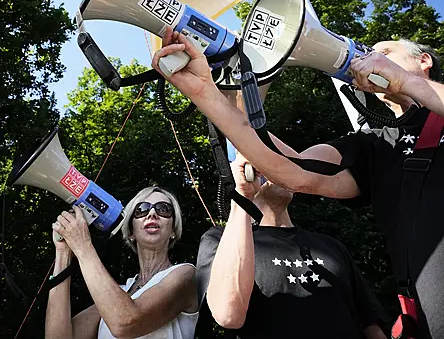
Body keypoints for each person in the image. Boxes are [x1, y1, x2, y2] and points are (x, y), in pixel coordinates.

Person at [152, 31, 444, 339]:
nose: (370, 57)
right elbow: (293, 169)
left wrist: (410, 83)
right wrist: (206, 93)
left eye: (384, 51)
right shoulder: (375, 145)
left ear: (423, 61)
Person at [196, 153, 388, 339]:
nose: (277, 167)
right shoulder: (220, 240)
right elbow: (228, 314)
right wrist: (242, 197)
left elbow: (371, 324)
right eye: (266, 161)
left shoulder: (331, 245)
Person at [45, 185, 198, 339]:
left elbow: (126, 322)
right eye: (142, 209)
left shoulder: (184, 274)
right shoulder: (116, 294)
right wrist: (63, 253)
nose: (152, 213)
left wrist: (82, 245)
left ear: (173, 229)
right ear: (131, 231)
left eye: (163, 209)